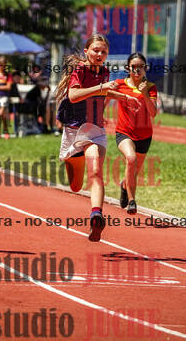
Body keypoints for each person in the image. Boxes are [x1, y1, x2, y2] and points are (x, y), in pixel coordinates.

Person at [56, 34, 138, 242]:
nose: (100, 54)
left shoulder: (104, 71)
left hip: (94, 129)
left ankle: (96, 216)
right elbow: (74, 95)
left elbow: (102, 94)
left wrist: (123, 97)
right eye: (96, 50)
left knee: (96, 171)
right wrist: (102, 87)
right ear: (87, 51)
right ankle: (74, 160)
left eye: (104, 52)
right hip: (74, 131)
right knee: (75, 186)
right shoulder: (80, 70)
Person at [111, 53, 158, 214]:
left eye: (141, 67)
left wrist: (144, 93)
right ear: (128, 68)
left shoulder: (151, 87)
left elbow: (153, 113)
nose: (137, 70)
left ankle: (124, 185)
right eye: (134, 67)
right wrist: (100, 114)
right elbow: (105, 93)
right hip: (124, 132)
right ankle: (132, 201)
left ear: (145, 68)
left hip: (144, 136)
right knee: (130, 159)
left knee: (133, 173)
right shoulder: (119, 84)